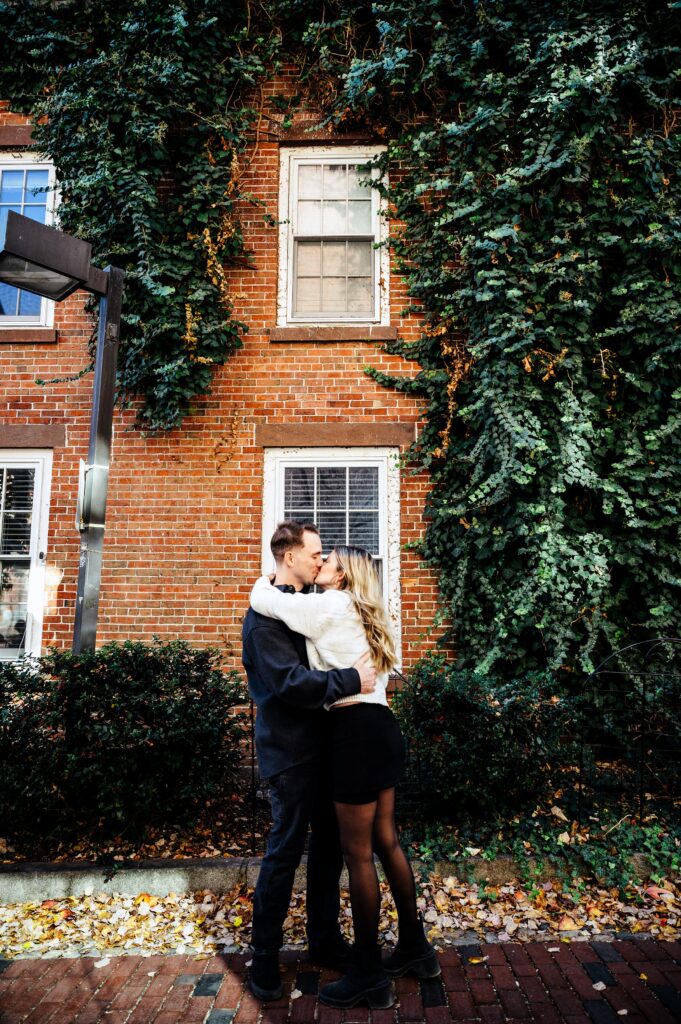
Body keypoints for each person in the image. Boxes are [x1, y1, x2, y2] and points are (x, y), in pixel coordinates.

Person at [250, 544, 439, 1010]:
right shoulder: (371, 612)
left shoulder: (329, 605)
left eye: (327, 561)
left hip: (351, 732)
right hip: (382, 727)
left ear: (342, 575)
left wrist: (263, 579)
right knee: (387, 842)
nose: (321, 565)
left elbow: (267, 601)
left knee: (357, 856)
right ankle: (415, 948)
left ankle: (369, 973)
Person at [242, 521, 378, 1002]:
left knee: (329, 852)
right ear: (290, 557)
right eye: (316, 554)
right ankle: (264, 957)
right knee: (284, 851)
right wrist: (349, 681)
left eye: (323, 556)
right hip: (291, 754)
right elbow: (291, 684)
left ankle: (324, 939)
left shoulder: (309, 607)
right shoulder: (264, 620)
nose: (321, 561)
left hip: (329, 748)